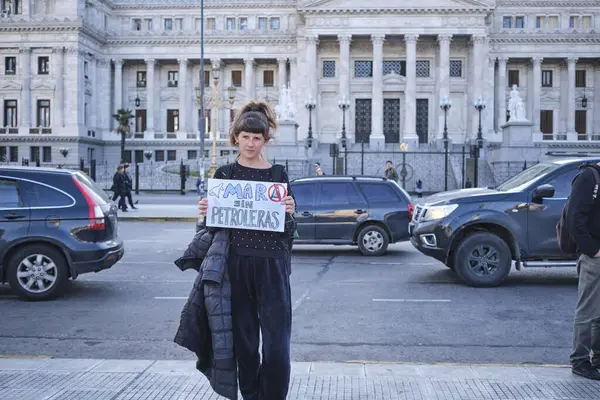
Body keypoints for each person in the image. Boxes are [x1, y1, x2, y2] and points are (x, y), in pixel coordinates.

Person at [198, 100, 296, 399]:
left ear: (266, 140)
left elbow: (289, 233)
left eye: (257, 138)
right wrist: (205, 212)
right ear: (236, 137)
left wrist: (291, 212)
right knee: (246, 344)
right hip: (236, 267)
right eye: (245, 137)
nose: (250, 143)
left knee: (278, 347)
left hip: (272, 268)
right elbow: (212, 229)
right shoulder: (225, 174)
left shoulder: (278, 175)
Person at [568, 161, 600, 380]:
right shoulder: (589, 177)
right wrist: (593, 250)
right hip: (593, 257)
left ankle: (597, 358)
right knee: (588, 311)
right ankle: (580, 361)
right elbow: (574, 218)